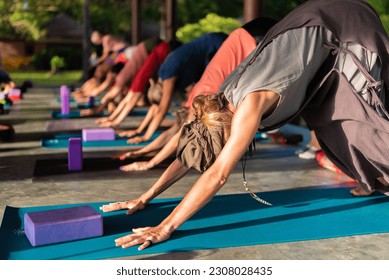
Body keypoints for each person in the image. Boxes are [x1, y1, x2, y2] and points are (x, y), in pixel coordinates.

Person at [100, 0, 389, 250]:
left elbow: (218, 175)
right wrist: (145, 196)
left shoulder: (246, 106)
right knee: (329, 121)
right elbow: (190, 152)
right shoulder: (216, 102)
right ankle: (372, 179)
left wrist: (166, 227)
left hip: (346, 26)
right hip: (319, 30)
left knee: (362, 116)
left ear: (227, 127)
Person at [117, 17, 278, 171]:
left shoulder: (203, 97)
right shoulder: (195, 99)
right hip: (246, 33)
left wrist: (150, 162)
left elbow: (177, 135)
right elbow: (174, 131)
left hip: (254, 37)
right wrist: (143, 151)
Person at [97, 32, 228, 146]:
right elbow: (156, 107)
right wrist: (139, 130)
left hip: (217, 44)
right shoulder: (164, 76)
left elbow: (162, 109)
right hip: (208, 51)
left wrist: (146, 136)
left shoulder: (168, 74)